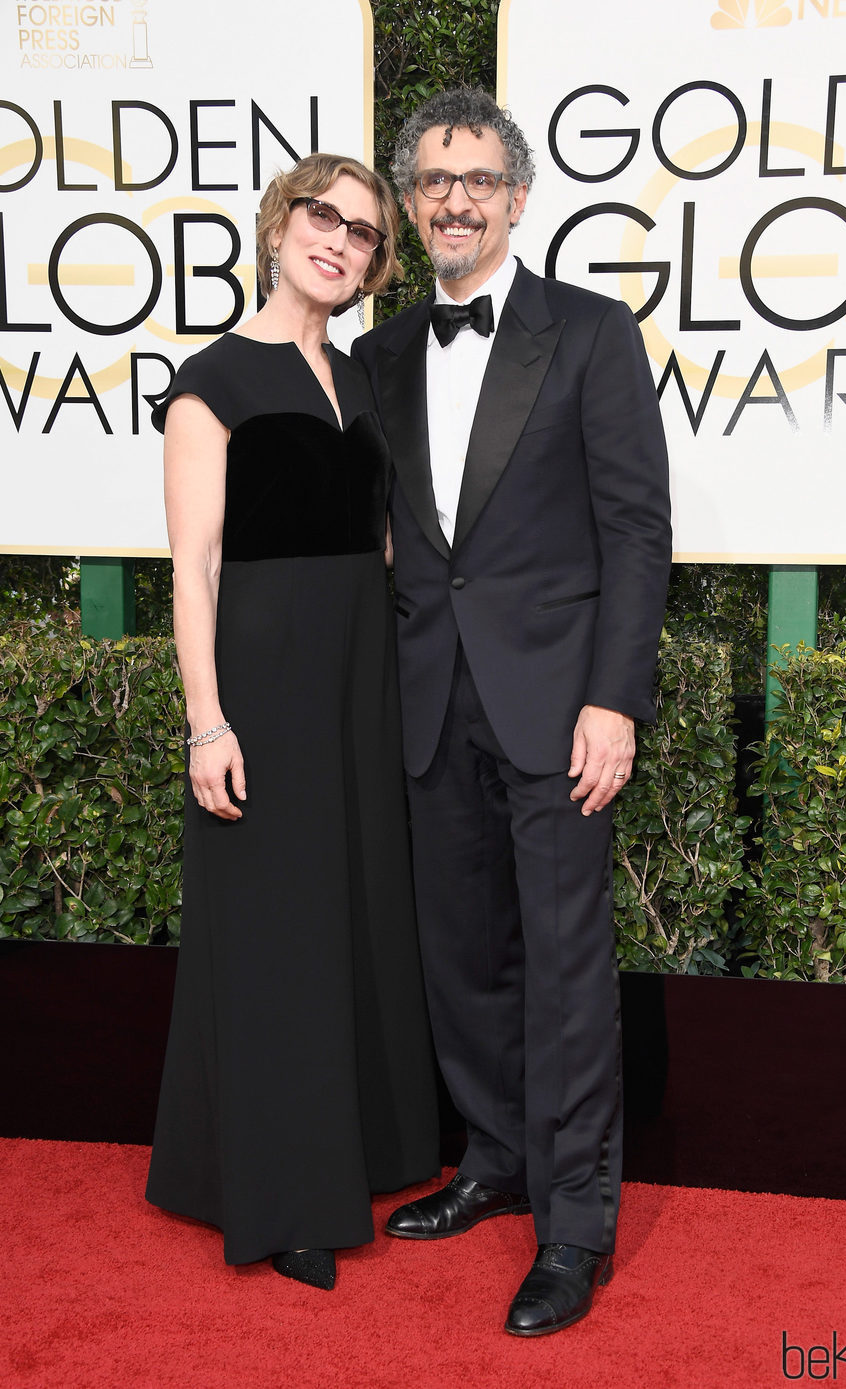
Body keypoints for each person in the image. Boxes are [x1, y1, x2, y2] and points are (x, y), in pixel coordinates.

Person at [352, 89, 672, 1336]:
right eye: (432, 179)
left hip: (556, 708)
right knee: (461, 959)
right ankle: (490, 1159)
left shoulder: (589, 332)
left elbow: (636, 532)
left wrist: (613, 698)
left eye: (478, 178)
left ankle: (575, 1227)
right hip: (427, 702)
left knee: (564, 972)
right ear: (409, 200)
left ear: (518, 196)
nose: (454, 198)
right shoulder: (378, 355)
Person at [145, 153, 439, 1291]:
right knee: (276, 933)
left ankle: (366, 1147)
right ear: (278, 226)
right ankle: (283, 1197)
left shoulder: (360, 380)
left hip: (358, 680)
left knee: (355, 909)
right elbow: (195, 570)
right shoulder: (209, 381)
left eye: (364, 233)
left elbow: (383, 542)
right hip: (261, 683)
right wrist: (206, 723)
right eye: (323, 217)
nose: (341, 241)